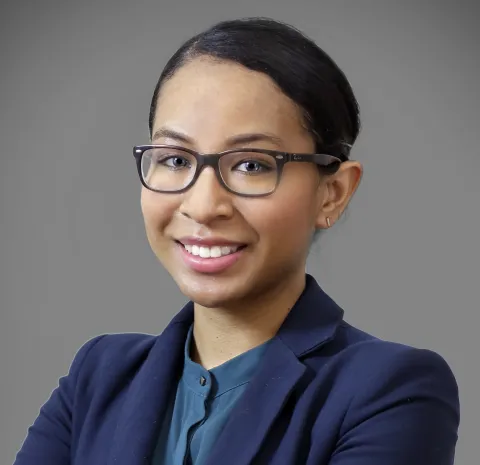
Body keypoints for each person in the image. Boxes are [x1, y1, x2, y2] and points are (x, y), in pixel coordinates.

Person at [14, 17, 460, 465]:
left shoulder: (389, 391)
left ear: (333, 193)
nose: (203, 205)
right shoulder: (99, 378)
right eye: (175, 159)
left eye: (252, 165)